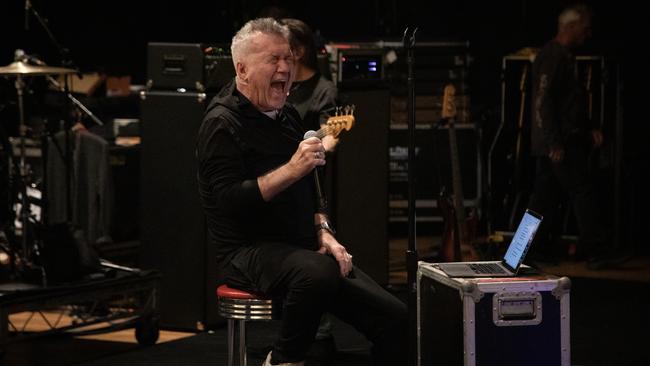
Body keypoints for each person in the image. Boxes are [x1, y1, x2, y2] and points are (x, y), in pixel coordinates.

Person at [196, 18, 407, 366]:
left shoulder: (287, 114)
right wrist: (293, 167)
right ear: (242, 68)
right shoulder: (221, 123)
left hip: (301, 248)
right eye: (273, 60)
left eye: (288, 59)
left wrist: (324, 231)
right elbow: (229, 202)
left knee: (395, 317)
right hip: (248, 252)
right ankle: (282, 360)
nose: (284, 68)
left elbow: (311, 189)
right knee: (317, 273)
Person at [527, 4, 609, 269]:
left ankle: (526, 252)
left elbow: (566, 103)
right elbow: (544, 100)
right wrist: (554, 142)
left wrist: (588, 128)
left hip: (555, 142)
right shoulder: (554, 56)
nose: (587, 36)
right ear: (570, 27)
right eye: (584, 30)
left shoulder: (560, 56)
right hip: (557, 143)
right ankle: (596, 252)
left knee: (543, 198)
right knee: (581, 191)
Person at [282, 18, 339, 152]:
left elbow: (329, 136)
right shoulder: (276, 84)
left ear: (298, 53)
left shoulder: (324, 91)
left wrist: (320, 151)